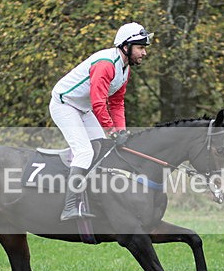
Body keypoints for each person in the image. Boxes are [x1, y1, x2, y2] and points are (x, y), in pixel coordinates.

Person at [49, 22, 152, 220]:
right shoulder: (106, 65)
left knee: (103, 149)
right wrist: (112, 131)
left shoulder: (124, 69)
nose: (144, 53)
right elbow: (98, 103)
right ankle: (69, 207)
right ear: (126, 46)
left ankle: (90, 198)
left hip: (83, 108)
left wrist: (121, 131)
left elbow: (117, 102)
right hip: (64, 105)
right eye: (140, 47)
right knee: (85, 152)